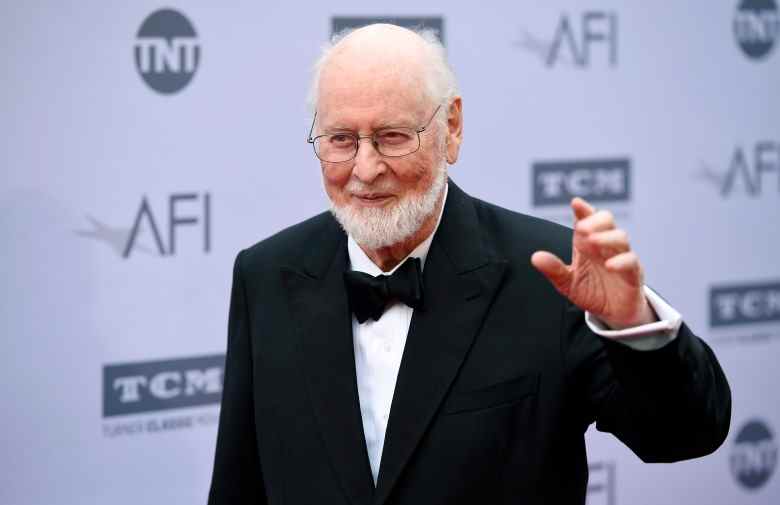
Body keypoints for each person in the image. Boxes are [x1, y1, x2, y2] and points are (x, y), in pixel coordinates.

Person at [208, 24, 730, 505]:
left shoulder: (551, 278)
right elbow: (239, 484)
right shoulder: (265, 275)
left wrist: (633, 324)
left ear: (451, 128)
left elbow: (683, 435)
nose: (364, 170)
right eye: (341, 140)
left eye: (392, 136)